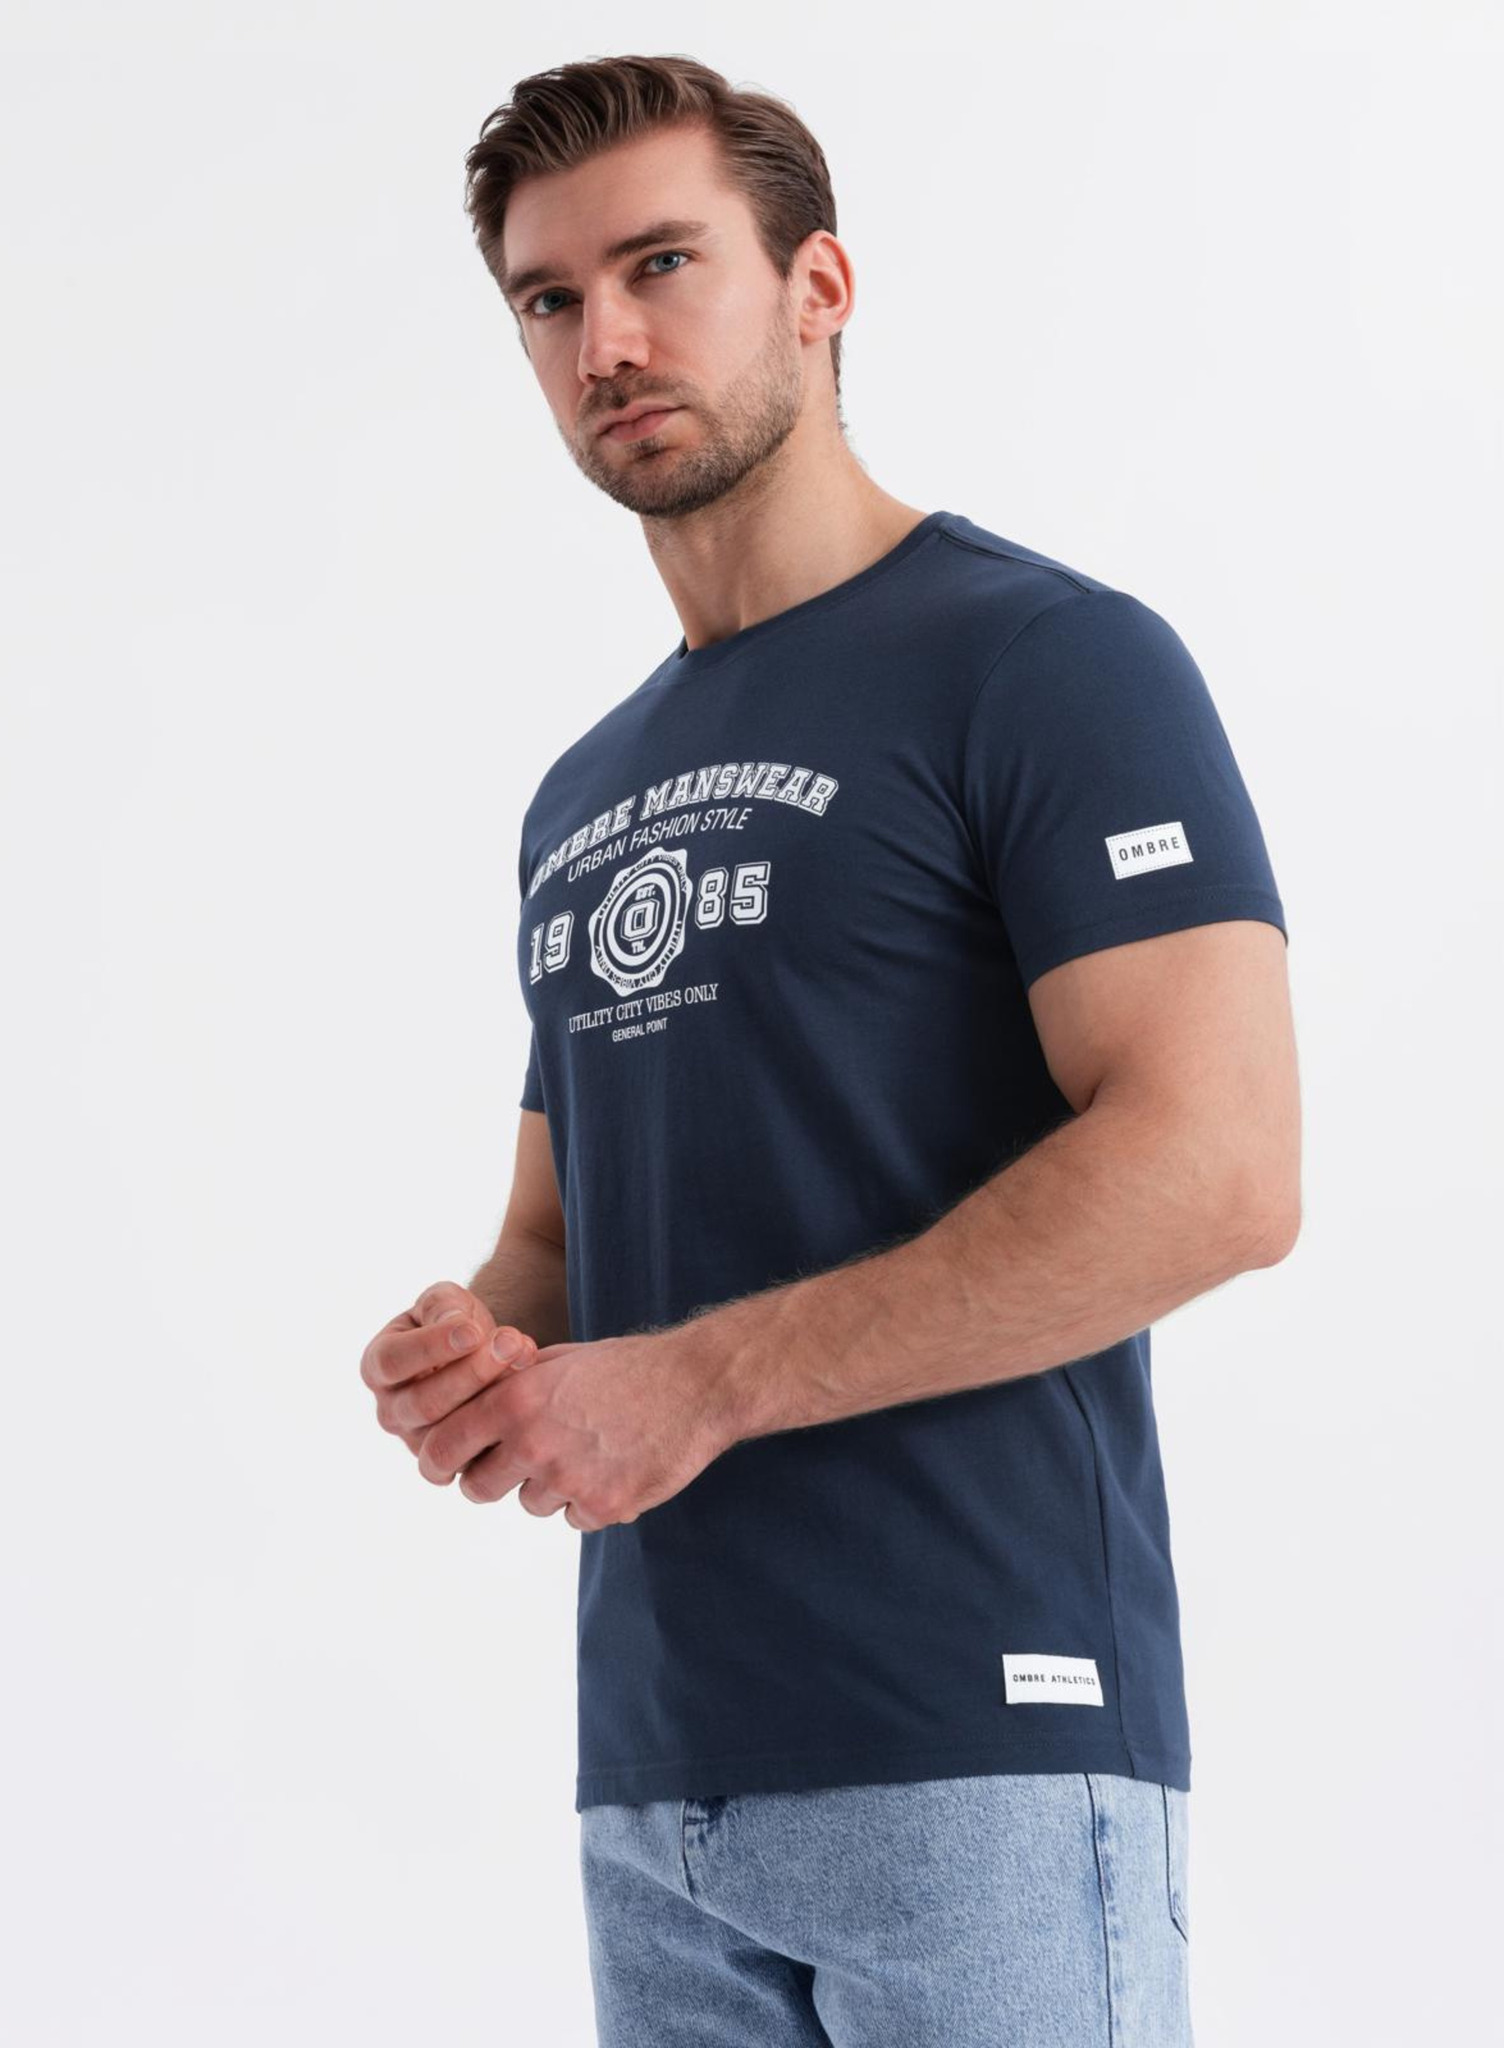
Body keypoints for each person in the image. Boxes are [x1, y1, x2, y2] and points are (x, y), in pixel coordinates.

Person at [359, 52, 1300, 2048]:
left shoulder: (1044, 662)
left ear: (820, 285)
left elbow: (1221, 1169)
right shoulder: (582, 793)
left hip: (982, 1744)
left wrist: (699, 1383)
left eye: (662, 264)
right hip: (658, 1784)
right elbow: (560, 1234)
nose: (606, 342)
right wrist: (482, 1347)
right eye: (549, 299)